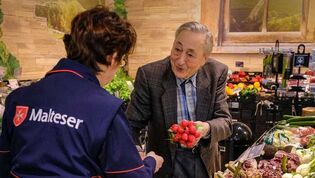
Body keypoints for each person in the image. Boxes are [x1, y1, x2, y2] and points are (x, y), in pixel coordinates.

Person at [0, 5, 163, 178]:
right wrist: (151, 163)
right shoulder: (107, 111)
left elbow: (4, 163)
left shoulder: (18, 98)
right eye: (122, 60)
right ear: (112, 56)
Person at [126, 21, 232, 178]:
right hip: (165, 163)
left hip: (204, 162)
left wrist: (206, 128)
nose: (180, 60)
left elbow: (225, 122)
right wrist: (137, 153)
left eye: (190, 54)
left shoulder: (216, 72)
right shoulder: (150, 75)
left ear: (204, 59)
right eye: (177, 49)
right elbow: (131, 124)